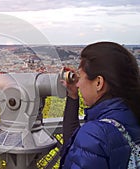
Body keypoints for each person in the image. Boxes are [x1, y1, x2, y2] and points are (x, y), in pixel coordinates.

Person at [60, 41, 140, 169]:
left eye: (80, 77)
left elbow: (88, 146)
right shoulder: (131, 115)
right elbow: (78, 149)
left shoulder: (96, 133)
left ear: (98, 82)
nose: (78, 84)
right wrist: (73, 96)